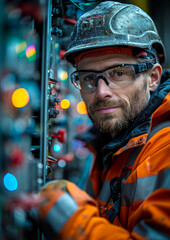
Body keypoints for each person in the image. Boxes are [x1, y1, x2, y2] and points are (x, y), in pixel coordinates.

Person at [29, 1, 170, 239]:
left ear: (153, 77)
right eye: (88, 78)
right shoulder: (108, 147)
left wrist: (68, 219)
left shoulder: (164, 150)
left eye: (118, 73)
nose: (101, 92)